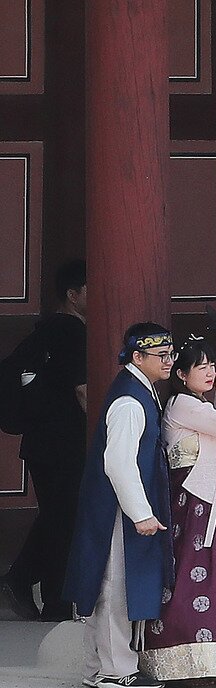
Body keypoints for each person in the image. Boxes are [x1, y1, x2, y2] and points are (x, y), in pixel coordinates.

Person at [140, 336, 216, 687]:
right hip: (193, 502)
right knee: (194, 572)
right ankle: (184, 662)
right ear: (181, 374)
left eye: (212, 366)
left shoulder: (199, 406)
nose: (210, 373)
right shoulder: (182, 404)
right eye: (201, 367)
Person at [64, 323, 174, 688]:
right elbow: (119, 462)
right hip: (116, 510)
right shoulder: (129, 401)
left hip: (116, 506)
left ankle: (100, 666)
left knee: (107, 585)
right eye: (160, 355)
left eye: (170, 354)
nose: (169, 361)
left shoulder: (140, 392)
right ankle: (116, 669)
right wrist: (140, 513)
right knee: (114, 586)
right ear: (137, 357)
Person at [3, 259, 88, 621]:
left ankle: (21, 581)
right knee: (64, 522)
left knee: (58, 517)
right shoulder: (71, 331)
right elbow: (83, 391)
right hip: (64, 442)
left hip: (43, 442)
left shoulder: (47, 330)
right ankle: (54, 601)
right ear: (73, 295)